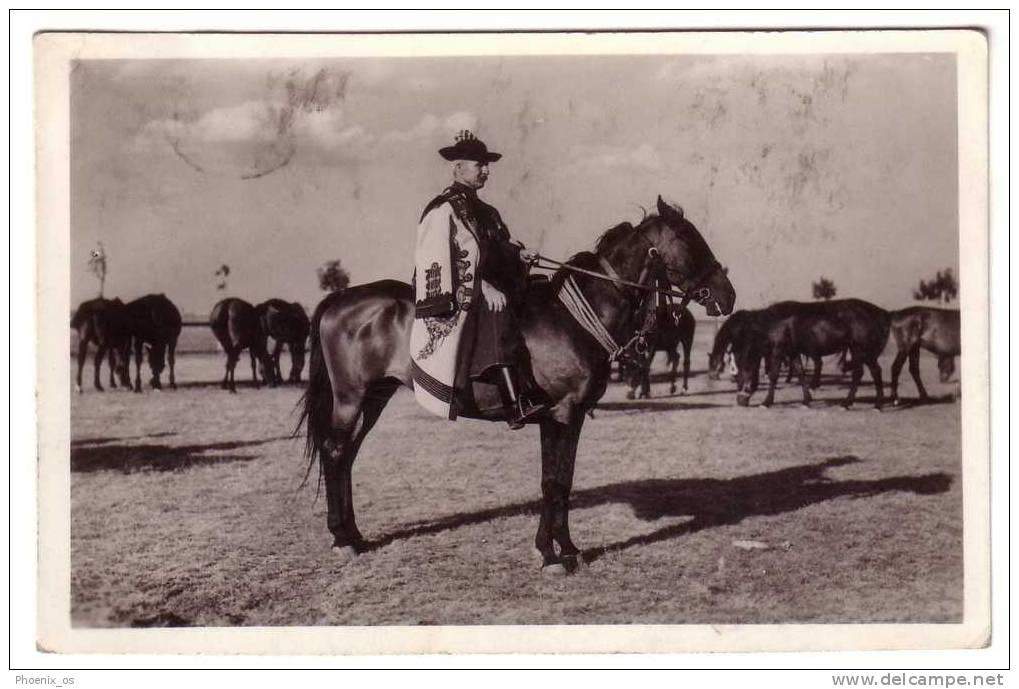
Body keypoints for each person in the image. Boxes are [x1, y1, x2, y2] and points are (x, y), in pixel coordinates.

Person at [410, 131, 546, 429]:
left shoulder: (486, 211)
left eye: (487, 165)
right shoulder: (443, 209)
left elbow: (497, 247)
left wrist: (519, 254)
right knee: (497, 310)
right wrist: (481, 286)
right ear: (456, 167)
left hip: (491, 283)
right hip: (460, 289)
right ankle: (514, 404)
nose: (486, 170)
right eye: (479, 164)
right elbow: (437, 258)